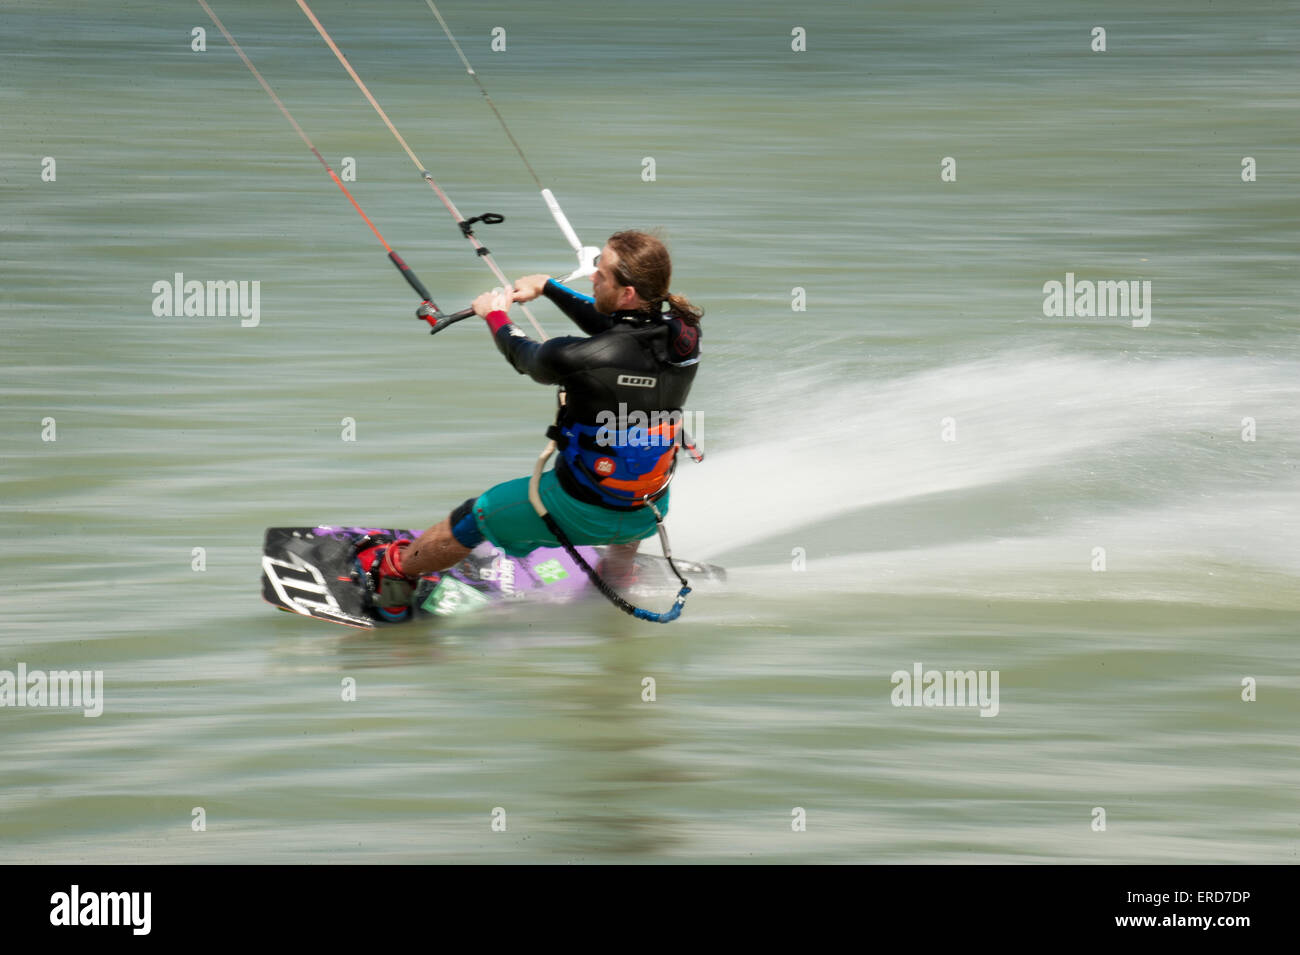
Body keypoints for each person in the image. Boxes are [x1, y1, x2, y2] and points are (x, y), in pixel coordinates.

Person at [354, 230, 703, 620]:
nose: (592, 278)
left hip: (578, 508)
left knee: (475, 516)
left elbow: (527, 357)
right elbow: (622, 334)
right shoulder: (685, 335)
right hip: (649, 508)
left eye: (600, 275)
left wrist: (495, 314)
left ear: (627, 294)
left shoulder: (575, 356)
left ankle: (393, 578)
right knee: (634, 463)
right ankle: (618, 575)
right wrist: (548, 288)